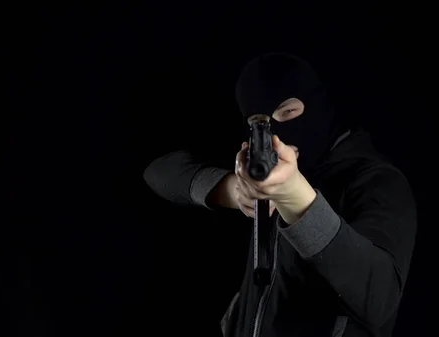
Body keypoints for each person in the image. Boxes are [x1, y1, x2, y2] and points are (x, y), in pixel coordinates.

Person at [143, 53, 417, 337]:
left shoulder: (377, 179)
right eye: (260, 124)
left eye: (288, 112)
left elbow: (380, 299)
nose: (279, 130)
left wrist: (298, 201)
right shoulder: (257, 168)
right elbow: (158, 172)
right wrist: (232, 190)